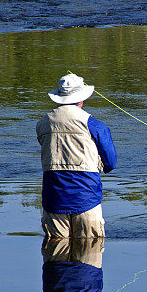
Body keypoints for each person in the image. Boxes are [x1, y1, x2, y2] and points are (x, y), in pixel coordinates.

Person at [37, 73, 117, 238]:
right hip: (86, 199)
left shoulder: (42, 124)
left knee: (55, 257)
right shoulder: (95, 125)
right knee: (90, 254)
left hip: (53, 199)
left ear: (58, 97)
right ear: (81, 99)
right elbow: (110, 163)